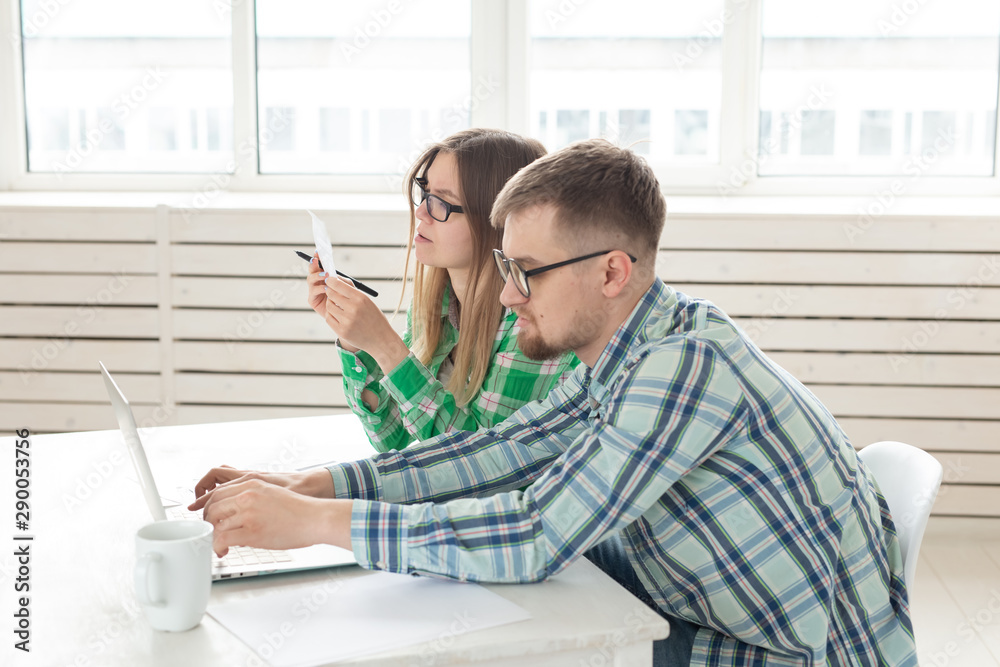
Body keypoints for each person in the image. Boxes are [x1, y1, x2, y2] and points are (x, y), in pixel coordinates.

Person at [192, 139, 917, 666]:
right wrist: (314, 483)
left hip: (774, 653)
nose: (507, 293)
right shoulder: (623, 354)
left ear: (611, 272)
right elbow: (497, 451)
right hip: (697, 615)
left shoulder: (687, 365)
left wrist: (318, 522)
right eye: (506, 266)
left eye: (527, 272)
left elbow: (538, 528)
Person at [307, 128, 577, 453]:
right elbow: (390, 438)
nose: (421, 212)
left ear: (500, 222)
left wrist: (387, 348)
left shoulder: (530, 324)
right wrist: (355, 340)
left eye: (442, 202)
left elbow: (479, 466)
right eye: (425, 193)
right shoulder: (440, 304)